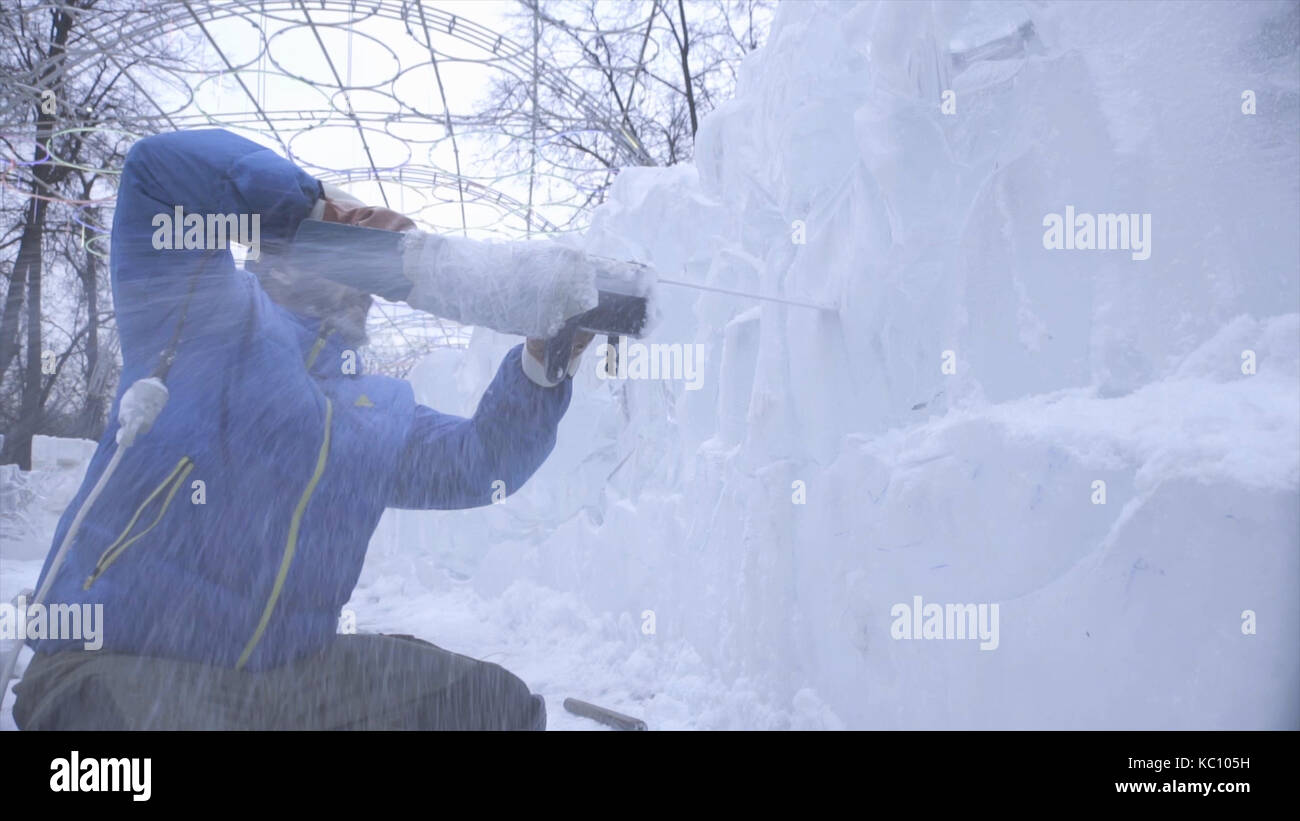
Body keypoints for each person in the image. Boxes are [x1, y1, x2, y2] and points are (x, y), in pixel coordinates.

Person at [12, 129, 596, 730]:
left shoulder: (375, 411)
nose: (357, 274)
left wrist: (542, 364)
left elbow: (482, 464)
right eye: (341, 243)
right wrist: (309, 206)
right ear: (279, 252)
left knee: (491, 705)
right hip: (114, 670)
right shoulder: (205, 316)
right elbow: (157, 173)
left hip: (281, 685)